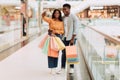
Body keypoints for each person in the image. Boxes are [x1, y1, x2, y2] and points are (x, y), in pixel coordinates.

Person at [57, 3, 79, 74]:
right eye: (63, 9)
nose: (64, 10)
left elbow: (76, 29)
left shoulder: (73, 17)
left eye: (65, 9)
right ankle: (63, 68)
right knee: (63, 53)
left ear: (69, 9)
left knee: (71, 52)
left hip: (72, 37)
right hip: (64, 38)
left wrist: (73, 39)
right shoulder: (63, 18)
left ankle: (71, 68)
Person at [42, 9, 64, 74]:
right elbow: (43, 17)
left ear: (60, 14)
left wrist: (56, 32)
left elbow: (62, 31)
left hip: (58, 37)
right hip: (51, 37)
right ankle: (51, 68)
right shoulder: (51, 20)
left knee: (56, 53)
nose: (56, 14)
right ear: (53, 14)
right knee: (51, 52)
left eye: (58, 13)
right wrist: (44, 12)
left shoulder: (61, 22)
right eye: (55, 13)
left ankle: (54, 67)